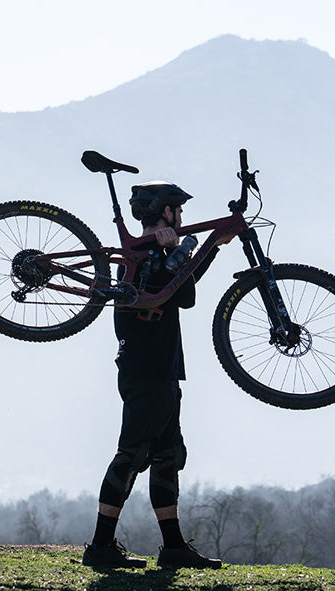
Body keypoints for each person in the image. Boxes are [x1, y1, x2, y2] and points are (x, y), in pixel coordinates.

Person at [82, 180, 231, 570]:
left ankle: (174, 547)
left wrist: (211, 246)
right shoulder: (145, 255)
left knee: (168, 455)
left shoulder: (147, 255)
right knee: (131, 456)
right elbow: (182, 294)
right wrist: (173, 250)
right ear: (166, 212)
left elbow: (180, 281)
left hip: (159, 371)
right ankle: (100, 546)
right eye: (178, 210)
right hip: (147, 372)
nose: (182, 217)